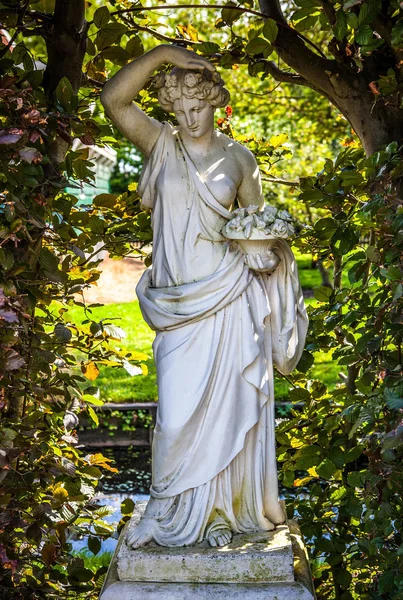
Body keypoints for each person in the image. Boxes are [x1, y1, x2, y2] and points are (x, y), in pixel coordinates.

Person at [101, 44, 308, 549]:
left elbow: (258, 228)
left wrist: (267, 258)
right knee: (174, 418)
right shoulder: (161, 145)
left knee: (233, 409)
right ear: (173, 108)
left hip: (232, 297)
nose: (193, 118)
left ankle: (225, 513)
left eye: (202, 108)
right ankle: (167, 507)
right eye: (183, 109)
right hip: (178, 307)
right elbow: (114, 99)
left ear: (217, 102)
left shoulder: (239, 158)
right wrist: (166, 53)